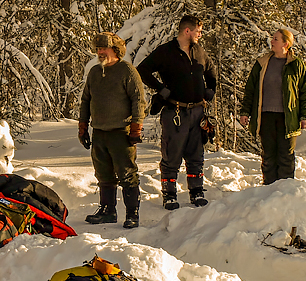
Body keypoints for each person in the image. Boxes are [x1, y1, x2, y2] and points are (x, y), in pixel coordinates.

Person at [137, 14, 216, 209]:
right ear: (187, 31)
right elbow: (143, 70)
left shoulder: (199, 51)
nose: (200, 34)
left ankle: (196, 192)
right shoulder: (166, 52)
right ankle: (169, 194)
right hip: (175, 112)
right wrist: (160, 88)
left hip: (197, 112)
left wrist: (210, 91)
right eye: (198, 31)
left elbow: (211, 71)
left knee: (196, 155)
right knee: (171, 155)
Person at [78, 32, 147, 229]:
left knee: (127, 174)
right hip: (99, 132)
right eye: (98, 49)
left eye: (103, 48)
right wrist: (83, 126)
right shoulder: (94, 72)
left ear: (115, 50)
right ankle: (108, 210)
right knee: (103, 174)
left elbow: (138, 100)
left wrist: (136, 127)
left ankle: (132, 213)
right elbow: (85, 100)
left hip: (121, 132)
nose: (100, 52)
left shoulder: (127, 70)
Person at [238, 29, 306, 184]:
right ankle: (269, 188)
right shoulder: (262, 63)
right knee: (269, 155)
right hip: (265, 115)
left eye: (275, 39)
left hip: (288, 117)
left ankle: (285, 190)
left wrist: (305, 116)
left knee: (286, 155)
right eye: (273, 38)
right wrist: (245, 111)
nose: (272, 41)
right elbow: (250, 89)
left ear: (285, 43)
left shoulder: (296, 64)